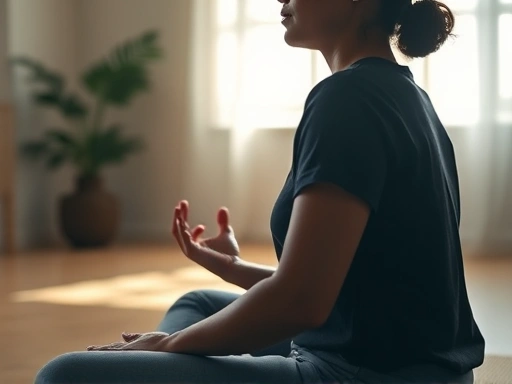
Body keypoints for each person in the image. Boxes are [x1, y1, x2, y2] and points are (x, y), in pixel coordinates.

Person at [35, 0, 485, 383]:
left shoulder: (347, 99)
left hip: (360, 373)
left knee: (63, 375)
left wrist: (169, 345)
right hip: (415, 363)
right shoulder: (404, 95)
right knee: (196, 303)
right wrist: (233, 267)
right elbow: (343, 288)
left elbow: (301, 303)